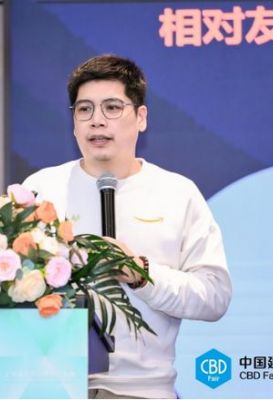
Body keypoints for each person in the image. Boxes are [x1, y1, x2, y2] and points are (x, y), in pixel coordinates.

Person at [22, 54, 232, 399]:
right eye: (84, 109)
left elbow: (214, 296)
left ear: (141, 117)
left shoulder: (177, 192)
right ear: (73, 122)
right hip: (50, 385)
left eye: (112, 108)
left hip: (142, 390)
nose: (97, 121)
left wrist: (142, 274)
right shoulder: (40, 189)